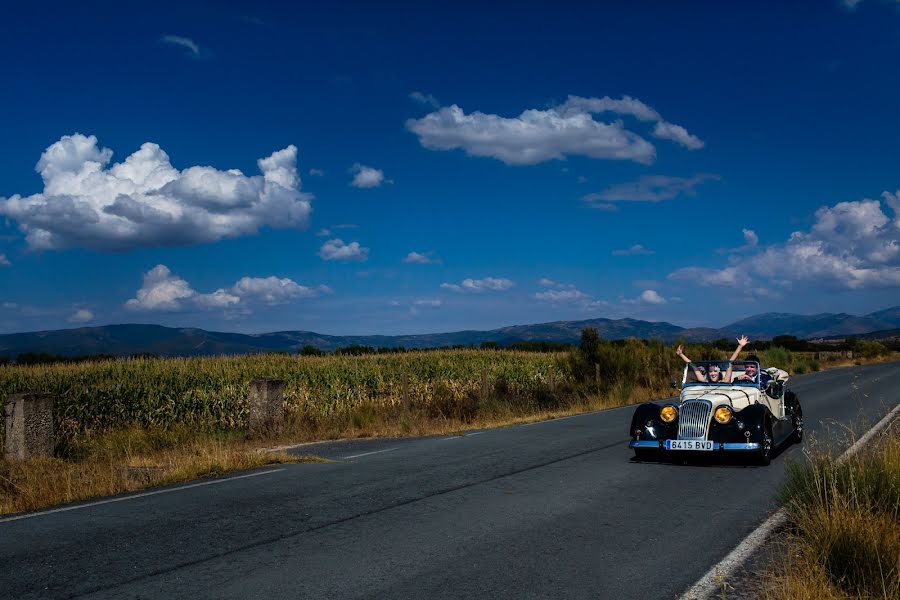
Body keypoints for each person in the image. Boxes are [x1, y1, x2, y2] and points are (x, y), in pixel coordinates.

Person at [676, 335, 748, 382]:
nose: (713, 373)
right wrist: (681, 354)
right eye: (710, 371)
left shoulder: (724, 381)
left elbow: (730, 362)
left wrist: (740, 346)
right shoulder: (704, 381)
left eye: (715, 371)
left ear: (719, 372)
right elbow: (693, 365)